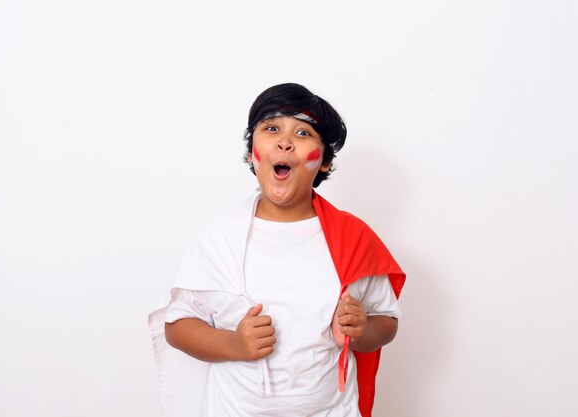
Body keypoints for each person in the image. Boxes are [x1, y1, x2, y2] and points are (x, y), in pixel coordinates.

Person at [148, 83, 406, 417]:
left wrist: (361, 331)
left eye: (302, 132)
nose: (284, 141)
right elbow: (177, 325)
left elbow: (386, 321)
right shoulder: (218, 241)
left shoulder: (353, 238)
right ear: (252, 150)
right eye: (271, 128)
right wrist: (233, 344)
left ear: (325, 161)